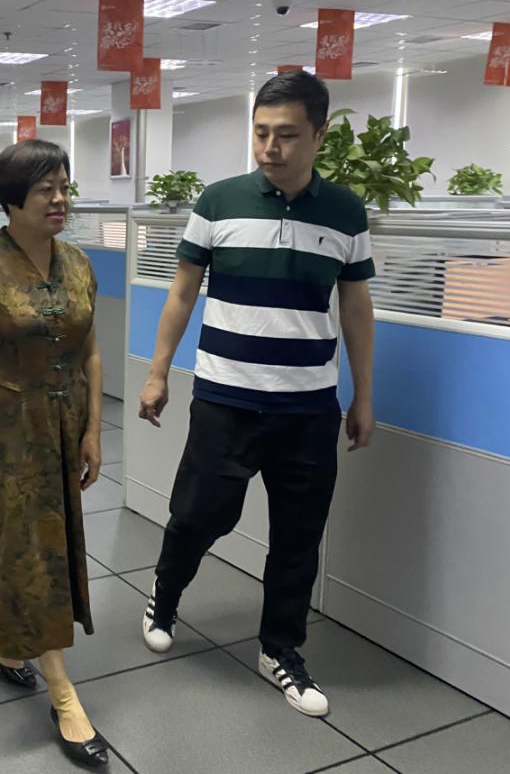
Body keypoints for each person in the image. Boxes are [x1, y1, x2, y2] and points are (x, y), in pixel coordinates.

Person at [137, 70, 376, 718]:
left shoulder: (345, 212)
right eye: (261, 132)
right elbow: (181, 292)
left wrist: (362, 395)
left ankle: (280, 648)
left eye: (287, 134)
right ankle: (165, 594)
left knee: (299, 535)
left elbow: (356, 307)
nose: (270, 146)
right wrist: (158, 373)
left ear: (319, 135)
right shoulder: (219, 201)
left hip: (309, 406)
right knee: (198, 515)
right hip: (226, 398)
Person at [0, 140, 109, 767]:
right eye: (46, 189)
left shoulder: (78, 263)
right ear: (13, 200)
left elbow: (91, 352)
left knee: (40, 540)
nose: (60, 199)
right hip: (6, 429)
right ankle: (63, 694)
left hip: (64, 422)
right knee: (31, 549)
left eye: (64, 186)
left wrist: (94, 430)